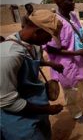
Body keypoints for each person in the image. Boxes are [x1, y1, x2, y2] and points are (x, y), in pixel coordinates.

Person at [0, 10, 64, 139]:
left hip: (38, 107)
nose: (50, 40)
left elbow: (30, 60)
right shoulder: (9, 55)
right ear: (38, 32)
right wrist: (47, 110)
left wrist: (50, 64)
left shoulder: (31, 44)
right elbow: (7, 101)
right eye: (49, 36)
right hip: (18, 120)